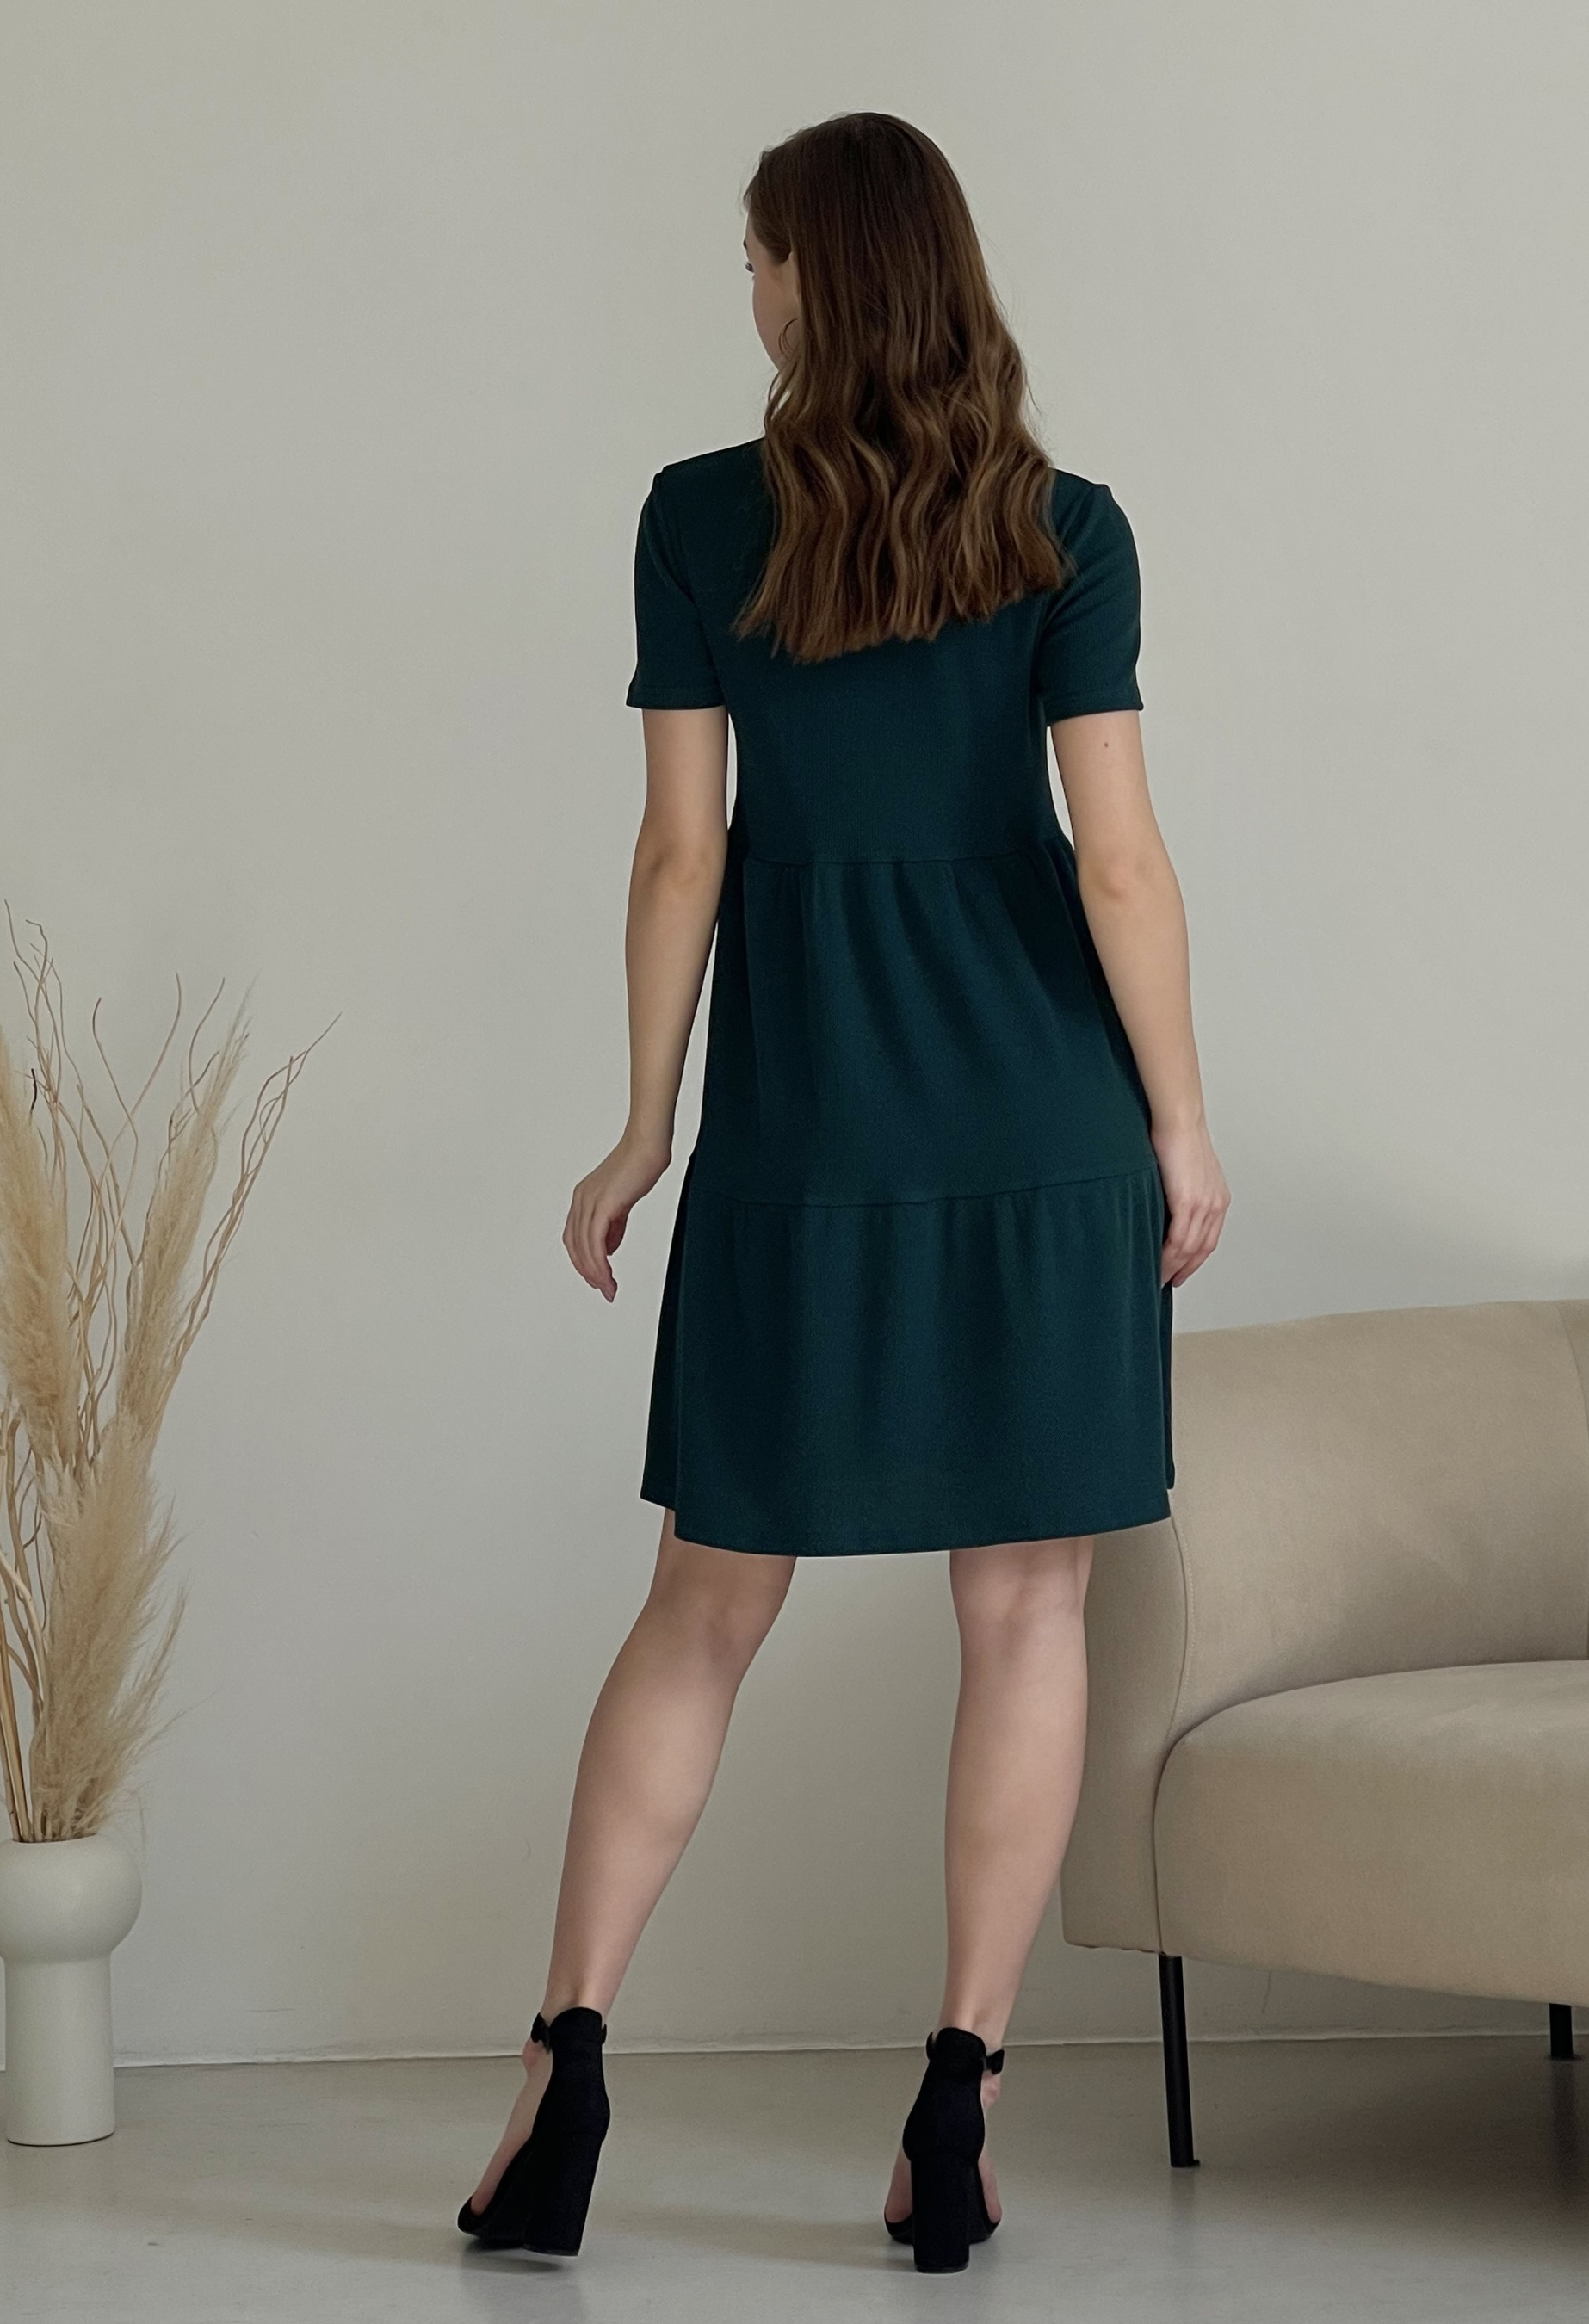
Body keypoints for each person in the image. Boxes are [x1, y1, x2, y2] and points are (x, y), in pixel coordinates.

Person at [457, 109, 1230, 2275]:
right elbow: (1118, 862)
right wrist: (1176, 1124)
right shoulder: (1064, 531)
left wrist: (646, 1123)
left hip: (808, 1136)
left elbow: (678, 851)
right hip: (1037, 1131)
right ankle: (957, 2103)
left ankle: (563, 2066)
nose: (749, 287)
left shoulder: (699, 517)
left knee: (704, 1607)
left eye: (760, 255)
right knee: (1029, 1611)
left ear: (824, 273)